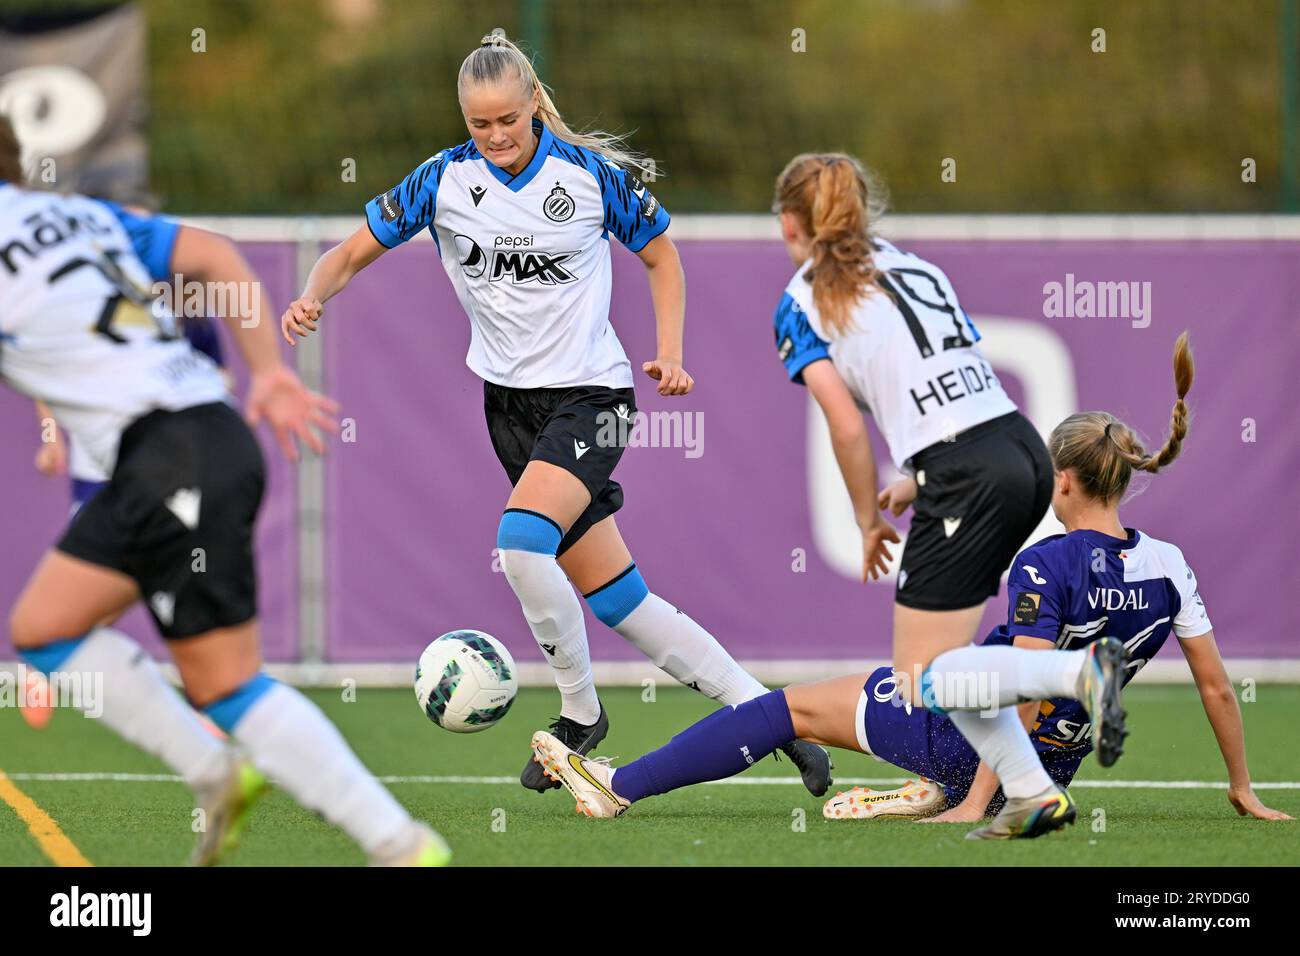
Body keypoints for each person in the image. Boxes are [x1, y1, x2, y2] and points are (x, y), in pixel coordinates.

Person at [281, 34, 831, 795]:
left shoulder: (588, 177)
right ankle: (768, 717)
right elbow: (346, 253)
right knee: (622, 602)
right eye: (480, 124)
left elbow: (661, 253)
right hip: (506, 408)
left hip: (593, 400)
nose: (497, 135)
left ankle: (579, 714)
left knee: (519, 546)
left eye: (508, 118)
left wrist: (669, 349)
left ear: (534, 104)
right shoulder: (442, 181)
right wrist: (313, 294)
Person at [532, 335, 1293, 833]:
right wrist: (1243, 786)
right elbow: (1219, 689)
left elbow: (1016, 694)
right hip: (1055, 759)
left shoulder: (1044, 563)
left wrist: (973, 801)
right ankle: (942, 784)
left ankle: (617, 784)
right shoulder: (1168, 566)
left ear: (1060, 479)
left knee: (785, 708)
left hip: (975, 745)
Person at [0, 116, 449, 866]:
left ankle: (396, 843)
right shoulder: (77, 212)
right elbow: (212, 253)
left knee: (225, 682)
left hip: (166, 459)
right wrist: (269, 371)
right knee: (48, 627)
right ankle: (226, 778)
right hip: (205, 435)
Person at [768, 151, 1129, 835]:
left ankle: (1077, 674)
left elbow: (846, 426)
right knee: (951, 671)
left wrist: (867, 516)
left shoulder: (802, 301)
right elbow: (953, 389)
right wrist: (918, 479)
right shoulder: (916, 266)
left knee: (920, 680)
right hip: (1020, 448)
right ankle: (1028, 792)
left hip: (968, 475)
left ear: (790, 224)